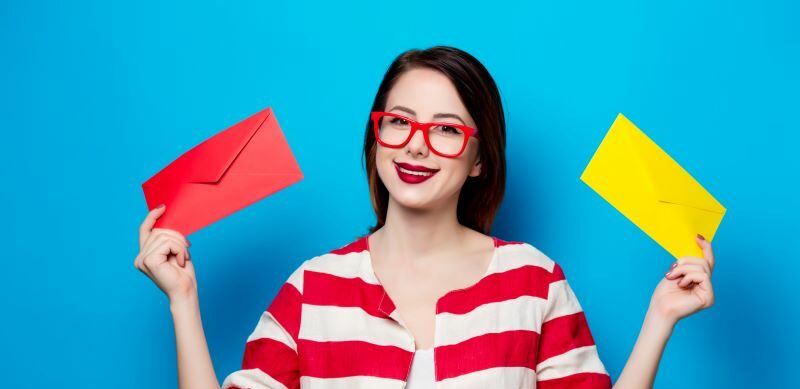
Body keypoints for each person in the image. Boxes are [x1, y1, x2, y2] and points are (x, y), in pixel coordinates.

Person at [134, 46, 716, 389]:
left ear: (480, 157)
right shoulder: (314, 290)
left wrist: (660, 319)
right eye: (399, 122)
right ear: (377, 134)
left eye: (445, 130)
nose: (416, 146)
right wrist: (182, 300)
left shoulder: (533, 280)